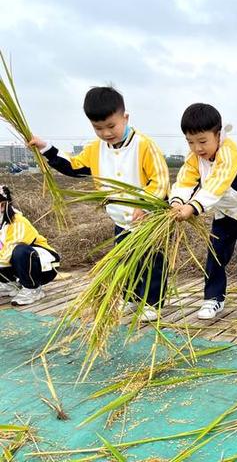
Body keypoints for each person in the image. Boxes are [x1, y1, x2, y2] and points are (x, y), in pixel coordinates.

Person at [29, 86, 170, 321]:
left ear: (125, 117)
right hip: (120, 219)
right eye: (98, 128)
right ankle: (131, 297)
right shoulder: (95, 149)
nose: (106, 133)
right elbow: (74, 166)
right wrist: (46, 148)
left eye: (111, 126)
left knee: (151, 260)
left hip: (149, 217)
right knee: (124, 260)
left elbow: (161, 179)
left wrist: (145, 205)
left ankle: (153, 301)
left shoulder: (144, 145)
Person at [171, 103, 237, 320]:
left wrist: (192, 208)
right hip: (224, 213)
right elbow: (185, 181)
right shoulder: (194, 157)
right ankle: (213, 299)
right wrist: (177, 202)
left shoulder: (229, 152)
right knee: (215, 253)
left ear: (218, 134)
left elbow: (217, 183)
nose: (197, 148)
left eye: (203, 141)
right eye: (190, 142)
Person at [0, 185, 60, 305]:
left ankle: (32, 288)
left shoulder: (18, 222)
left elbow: (8, 253)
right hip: (12, 263)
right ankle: (10, 285)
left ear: (2, 205)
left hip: (42, 266)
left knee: (19, 251)